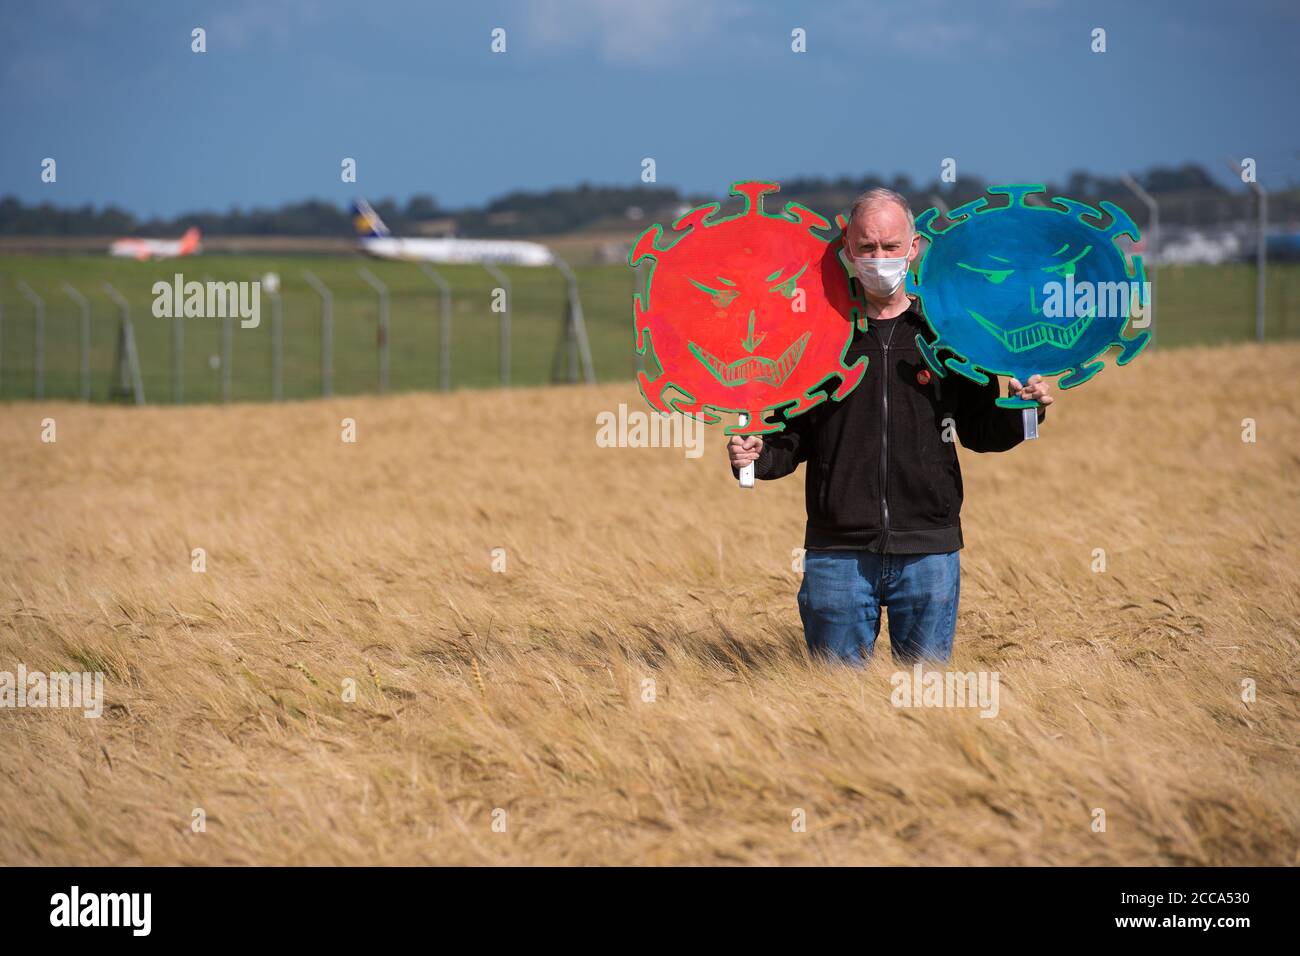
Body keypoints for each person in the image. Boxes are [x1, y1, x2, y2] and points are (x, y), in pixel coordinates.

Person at [727, 188, 1054, 666]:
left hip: (929, 553)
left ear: (914, 248)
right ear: (847, 249)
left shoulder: (952, 335)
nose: (879, 258)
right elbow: (788, 437)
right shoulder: (816, 338)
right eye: (867, 247)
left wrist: (1025, 410)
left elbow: (981, 432)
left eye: (890, 247)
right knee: (835, 707)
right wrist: (753, 459)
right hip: (837, 556)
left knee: (926, 708)